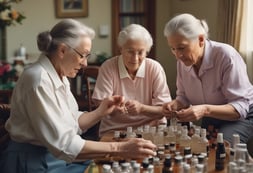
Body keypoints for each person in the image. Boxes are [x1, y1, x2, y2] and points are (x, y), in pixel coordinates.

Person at [0, 19, 157, 173]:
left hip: (54, 158)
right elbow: (64, 143)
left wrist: (101, 111)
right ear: (62, 50)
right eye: (83, 55)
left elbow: (72, 122)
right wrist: (120, 148)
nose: (85, 64)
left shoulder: (58, 75)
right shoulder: (38, 79)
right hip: (34, 162)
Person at [162, 13, 253, 144]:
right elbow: (184, 97)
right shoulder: (182, 62)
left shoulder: (225, 56)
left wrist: (204, 109)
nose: (178, 56)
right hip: (211, 115)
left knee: (221, 147)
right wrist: (174, 105)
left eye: (182, 48)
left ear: (200, 39)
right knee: (197, 147)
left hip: (244, 114)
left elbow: (240, 107)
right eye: (173, 49)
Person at [92, 24, 172, 136]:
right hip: (115, 131)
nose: (135, 58)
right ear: (121, 49)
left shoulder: (155, 68)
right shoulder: (108, 67)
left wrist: (142, 108)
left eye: (140, 52)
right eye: (130, 51)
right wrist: (115, 109)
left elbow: (165, 110)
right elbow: (100, 106)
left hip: (151, 131)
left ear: (147, 52)